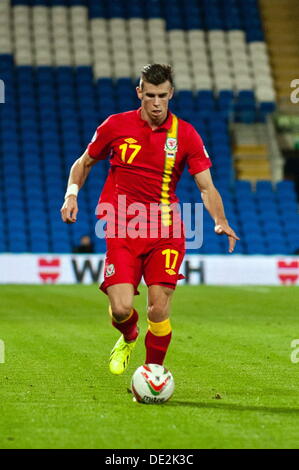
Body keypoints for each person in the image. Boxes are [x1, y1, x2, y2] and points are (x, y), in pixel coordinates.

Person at [60, 64, 239, 376]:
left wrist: (219, 220)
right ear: (139, 93)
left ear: (171, 94)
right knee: (120, 308)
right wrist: (71, 194)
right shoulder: (115, 126)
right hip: (122, 227)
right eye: (150, 95)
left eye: (162, 96)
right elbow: (85, 161)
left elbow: (206, 186)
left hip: (165, 230)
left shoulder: (185, 134)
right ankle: (129, 335)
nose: (156, 103)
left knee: (158, 307)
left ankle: (153, 373)